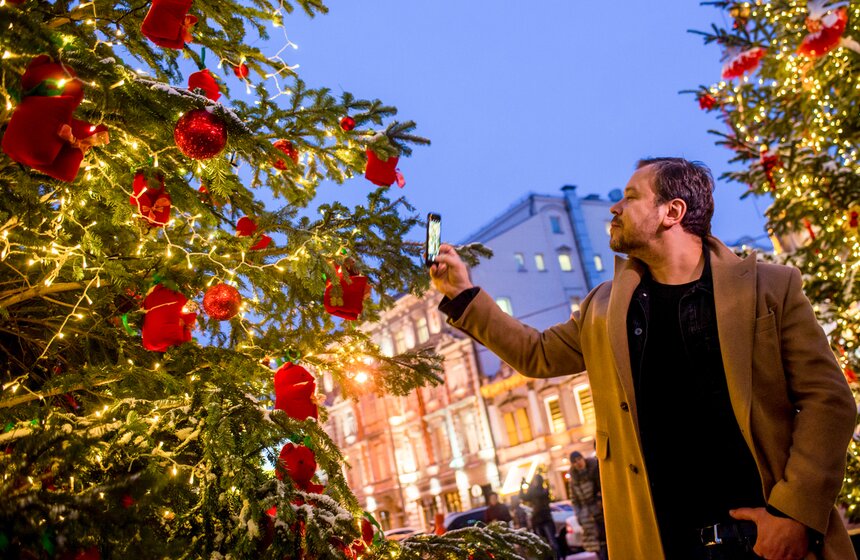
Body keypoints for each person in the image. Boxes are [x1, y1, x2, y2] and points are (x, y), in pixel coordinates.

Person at [429, 157, 857, 560]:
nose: (614, 207)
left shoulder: (769, 287)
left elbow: (828, 402)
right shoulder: (603, 307)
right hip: (659, 543)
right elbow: (537, 354)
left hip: (766, 542)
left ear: (672, 211)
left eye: (631, 197)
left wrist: (794, 514)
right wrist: (464, 295)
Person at [569, 451, 608, 560]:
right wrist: (579, 515)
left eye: (579, 459)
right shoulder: (574, 481)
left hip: (600, 512)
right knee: (596, 545)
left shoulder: (594, 470)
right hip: (587, 516)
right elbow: (574, 500)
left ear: (583, 458)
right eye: (575, 462)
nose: (578, 463)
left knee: (606, 540)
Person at [520, 472, 561, 559]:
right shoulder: (535, 491)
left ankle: (556, 557)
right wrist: (522, 485)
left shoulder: (543, 490)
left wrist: (528, 485)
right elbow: (523, 496)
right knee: (542, 542)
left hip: (545, 519)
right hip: (537, 521)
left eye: (535, 481)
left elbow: (536, 494)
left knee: (551, 541)